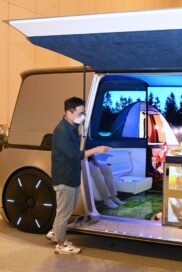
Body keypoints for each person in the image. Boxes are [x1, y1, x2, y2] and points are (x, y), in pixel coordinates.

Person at [46, 97, 110, 254]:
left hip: (72, 176)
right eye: (81, 113)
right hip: (64, 177)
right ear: (69, 112)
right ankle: (61, 245)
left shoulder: (72, 127)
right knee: (64, 212)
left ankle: (56, 233)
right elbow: (75, 155)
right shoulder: (61, 131)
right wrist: (96, 150)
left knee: (66, 209)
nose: (83, 116)